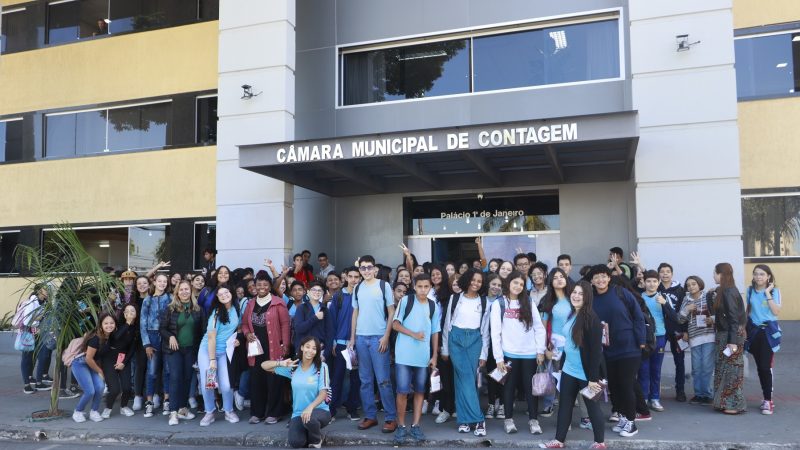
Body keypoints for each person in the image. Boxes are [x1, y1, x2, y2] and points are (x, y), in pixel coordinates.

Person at [539, 281, 606, 449]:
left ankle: (600, 443)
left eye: (581, 294)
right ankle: (558, 441)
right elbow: (568, 343)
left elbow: (596, 352)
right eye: (574, 292)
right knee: (565, 406)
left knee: (593, 408)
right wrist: (561, 367)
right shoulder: (572, 314)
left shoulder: (592, 319)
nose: (576, 296)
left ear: (587, 297)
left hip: (586, 374)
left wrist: (592, 378)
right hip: (569, 369)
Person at [588, 264, 644, 438]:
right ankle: (622, 417)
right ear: (591, 281)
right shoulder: (591, 299)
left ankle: (631, 422)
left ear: (609, 277)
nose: (600, 280)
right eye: (596, 277)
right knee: (614, 386)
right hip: (606, 351)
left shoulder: (621, 292)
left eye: (603, 276)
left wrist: (641, 340)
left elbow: (638, 315)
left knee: (626, 385)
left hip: (628, 348)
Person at [491, 271, 546, 435]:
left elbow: (538, 327)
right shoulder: (499, 304)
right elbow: (496, 332)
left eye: (521, 284)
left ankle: (534, 420)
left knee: (531, 389)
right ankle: (508, 420)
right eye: (515, 283)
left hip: (529, 354)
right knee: (508, 388)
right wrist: (498, 357)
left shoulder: (528, 302)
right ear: (508, 283)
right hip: (509, 354)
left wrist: (540, 351)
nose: (518, 286)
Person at [348, 255, 397, 433]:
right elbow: (355, 313)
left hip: (378, 338)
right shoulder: (358, 287)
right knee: (365, 381)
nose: (366, 270)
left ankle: (391, 418)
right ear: (359, 270)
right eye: (363, 268)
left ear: (375, 268)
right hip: (361, 338)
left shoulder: (384, 286)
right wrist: (352, 338)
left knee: (383, 380)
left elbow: (391, 312)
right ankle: (370, 416)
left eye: (369, 267)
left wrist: (386, 336)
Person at [391, 274, 441, 444]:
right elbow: (395, 324)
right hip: (404, 355)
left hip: (423, 356)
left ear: (430, 288)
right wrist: (413, 334)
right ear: (414, 286)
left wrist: (434, 355)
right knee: (402, 391)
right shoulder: (406, 301)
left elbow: (435, 332)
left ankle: (416, 425)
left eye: (426, 287)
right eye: (420, 286)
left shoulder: (433, 306)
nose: (423, 290)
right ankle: (401, 426)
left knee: (420, 391)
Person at [441, 268, 490, 436]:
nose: (476, 283)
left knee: (464, 379)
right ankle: (479, 419)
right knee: (465, 377)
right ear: (467, 279)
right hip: (456, 339)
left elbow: (485, 331)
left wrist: (484, 353)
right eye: (473, 280)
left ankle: (463, 421)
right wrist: (445, 348)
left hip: (475, 340)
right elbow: (447, 325)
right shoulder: (455, 298)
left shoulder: (485, 303)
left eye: (480, 281)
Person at [263, 336, 331, 449]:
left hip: (319, 411)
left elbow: (323, 393)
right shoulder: (294, 367)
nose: (310, 350)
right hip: (298, 413)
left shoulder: (322, 367)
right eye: (308, 347)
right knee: (296, 442)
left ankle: (316, 439)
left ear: (317, 351)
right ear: (302, 347)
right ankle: (309, 430)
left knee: (309, 419)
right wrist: (281, 363)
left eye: (314, 348)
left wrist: (310, 408)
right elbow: (264, 366)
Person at [241, 273, 291, 424]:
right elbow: (244, 324)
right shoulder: (250, 304)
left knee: (274, 380)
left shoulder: (278, 302)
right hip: (255, 350)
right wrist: (247, 333)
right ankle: (257, 413)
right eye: (259, 284)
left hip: (274, 347)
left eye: (265, 284)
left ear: (270, 286)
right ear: (255, 286)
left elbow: (285, 324)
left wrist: (285, 345)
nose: (261, 287)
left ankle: (275, 413)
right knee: (257, 380)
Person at [159, 280, 203, 425]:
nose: (184, 292)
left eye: (187, 289)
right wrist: (170, 336)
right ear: (177, 292)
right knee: (175, 377)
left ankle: (182, 409)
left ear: (191, 291)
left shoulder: (198, 309)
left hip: (190, 349)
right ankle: (173, 412)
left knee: (187, 378)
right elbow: (162, 328)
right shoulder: (170, 309)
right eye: (181, 289)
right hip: (174, 350)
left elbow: (202, 331)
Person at [198, 286, 241, 426]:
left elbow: (238, 327)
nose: (224, 295)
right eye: (220, 294)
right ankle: (210, 412)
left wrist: (237, 339)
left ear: (231, 293)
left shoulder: (237, 308)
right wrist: (212, 361)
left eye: (226, 292)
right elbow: (211, 338)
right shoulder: (216, 314)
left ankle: (228, 411)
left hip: (224, 352)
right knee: (208, 385)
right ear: (217, 298)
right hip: (208, 352)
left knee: (227, 386)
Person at [537, 268, 575, 418]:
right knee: (551, 375)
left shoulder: (574, 298)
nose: (559, 279)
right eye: (555, 277)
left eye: (562, 276)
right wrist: (544, 347)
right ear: (551, 282)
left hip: (572, 345)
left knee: (568, 379)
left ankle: (567, 410)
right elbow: (542, 326)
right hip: (554, 345)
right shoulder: (547, 301)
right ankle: (548, 405)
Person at [638, 270, 678, 412]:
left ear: (659, 282)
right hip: (643, 338)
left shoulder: (663, 297)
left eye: (655, 281)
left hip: (659, 337)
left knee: (656, 370)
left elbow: (675, 317)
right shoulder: (639, 297)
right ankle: (643, 398)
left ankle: (655, 398)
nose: (652, 284)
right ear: (644, 283)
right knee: (643, 370)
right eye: (649, 281)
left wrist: (665, 304)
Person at [711, 263, 746, 415]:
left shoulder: (729, 292)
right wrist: (709, 294)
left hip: (730, 336)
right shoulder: (723, 291)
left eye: (714, 273)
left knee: (732, 370)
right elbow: (716, 313)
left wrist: (732, 342)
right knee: (722, 369)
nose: (713, 275)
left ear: (721, 274)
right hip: (724, 335)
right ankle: (723, 402)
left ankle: (733, 404)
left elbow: (733, 318)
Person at [746, 264, 782, 415]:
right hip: (753, 331)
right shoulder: (750, 291)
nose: (758, 277)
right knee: (760, 366)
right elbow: (748, 310)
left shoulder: (775, 291)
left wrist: (767, 293)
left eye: (762, 274)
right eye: (756, 274)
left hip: (768, 332)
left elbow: (776, 311)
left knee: (765, 367)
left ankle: (768, 400)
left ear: (768, 276)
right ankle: (766, 395)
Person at [328, 267, 362, 421]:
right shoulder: (339, 296)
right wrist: (334, 341)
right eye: (351, 276)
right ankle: (331, 410)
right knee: (337, 377)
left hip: (358, 343)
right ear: (346, 278)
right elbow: (332, 320)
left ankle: (352, 409)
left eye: (357, 277)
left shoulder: (363, 295)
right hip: (341, 343)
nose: (354, 279)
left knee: (356, 378)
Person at [72, 313, 116, 423]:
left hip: (91, 364)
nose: (109, 325)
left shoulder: (109, 336)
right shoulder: (96, 338)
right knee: (90, 391)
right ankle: (78, 411)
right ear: (101, 325)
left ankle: (94, 411)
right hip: (80, 363)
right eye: (106, 323)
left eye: (111, 323)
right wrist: (100, 371)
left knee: (100, 387)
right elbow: (88, 358)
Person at [678, 275, 715, 405]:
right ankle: (699, 394)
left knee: (706, 366)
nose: (691, 287)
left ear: (700, 284)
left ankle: (707, 394)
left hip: (709, 336)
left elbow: (719, 312)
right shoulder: (686, 299)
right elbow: (680, 319)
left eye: (693, 284)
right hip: (694, 338)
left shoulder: (709, 296)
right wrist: (686, 310)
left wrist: (713, 319)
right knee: (696, 368)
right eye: (688, 285)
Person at [140, 273, 172, 417]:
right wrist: (146, 343)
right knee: (152, 372)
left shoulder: (170, 298)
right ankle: (149, 402)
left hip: (166, 337)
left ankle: (167, 400)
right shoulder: (148, 299)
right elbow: (142, 324)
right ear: (155, 282)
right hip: (152, 337)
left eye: (165, 281)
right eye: (160, 281)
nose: (162, 283)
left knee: (167, 370)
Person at [657, 262, 687, 402]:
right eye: (662, 271)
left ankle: (680, 390)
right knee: (656, 361)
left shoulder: (680, 290)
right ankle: (654, 391)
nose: (665, 273)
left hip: (677, 330)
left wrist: (685, 330)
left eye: (668, 271)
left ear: (672, 273)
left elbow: (684, 312)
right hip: (661, 330)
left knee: (679, 361)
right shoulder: (655, 288)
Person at [102, 304, 137, 418]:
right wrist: (127, 323)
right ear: (123, 314)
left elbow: (132, 349)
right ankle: (108, 408)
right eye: (127, 311)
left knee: (127, 387)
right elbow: (116, 337)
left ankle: (124, 407)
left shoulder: (135, 329)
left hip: (123, 358)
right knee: (114, 389)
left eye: (132, 311)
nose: (130, 313)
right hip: (110, 358)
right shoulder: (118, 325)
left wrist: (124, 363)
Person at [293, 280, 334, 362]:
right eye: (314, 290)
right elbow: (299, 329)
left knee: (318, 374)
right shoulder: (302, 308)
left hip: (320, 350)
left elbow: (330, 334)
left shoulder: (325, 310)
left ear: (323, 293)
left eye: (319, 290)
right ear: (308, 292)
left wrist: (325, 354)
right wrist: (315, 318)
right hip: (304, 350)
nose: (317, 292)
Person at [483, 273, 505, 420]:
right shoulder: (482, 300)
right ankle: (491, 404)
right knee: (491, 375)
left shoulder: (504, 301)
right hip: (488, 343)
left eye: (499, 285)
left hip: (503, 342)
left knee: (503, 375)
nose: (496, 287)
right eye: (493, 284)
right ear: (488, 284)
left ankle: (502, 405)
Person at [131, 276, 150, 411]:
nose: (142, 285)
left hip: (153, 337)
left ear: (149, 285)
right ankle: (138, 395)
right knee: (140, 366)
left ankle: (152, 395)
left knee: (153, 369)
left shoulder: (154, 299)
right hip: (137, 339)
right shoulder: (133, 301)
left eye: (145, 283)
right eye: (139, 283)